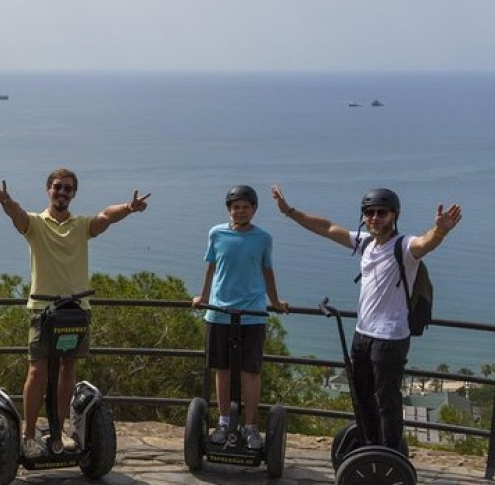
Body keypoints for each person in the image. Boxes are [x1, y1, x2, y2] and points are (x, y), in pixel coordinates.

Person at [271, 185, 462, 450]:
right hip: (362, 334)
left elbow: (425, 243)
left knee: (387, 400)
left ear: (394, 215)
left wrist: (440, 230)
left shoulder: (404, 247)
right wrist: (289, 212)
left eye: (380, 213)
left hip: (390, 338)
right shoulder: (366, 243)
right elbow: (327, 228)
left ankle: (390, 454)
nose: (374, 217)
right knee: (361, 396)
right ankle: (372, 444)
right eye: (368, 212)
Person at [0, 168, 150, 459]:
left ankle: (57, 431)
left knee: (67, 368)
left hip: (76, 311)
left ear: (73, 193)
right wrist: (6, 201)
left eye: (67, 189)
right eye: (57, 187)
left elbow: (106, 216)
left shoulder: (81, 225)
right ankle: (28, 435)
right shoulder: (36, 224)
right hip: (42, 308)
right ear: (48, 190)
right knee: (37, 370)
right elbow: (18, 217)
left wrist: (129, 207)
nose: (62, 192)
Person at [191, 185, 288, 450]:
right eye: (236, 207)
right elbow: (211, 267)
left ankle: (250, 426)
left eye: (246, 207)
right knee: (221, 370)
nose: (240, 211)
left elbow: (267, 271)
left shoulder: (263, 238)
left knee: (250, 372)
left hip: (252, 313)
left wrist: (275, 302)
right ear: (229, 210)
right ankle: (223, 422)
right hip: (220, 312)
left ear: (254, 209)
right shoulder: (216, 233)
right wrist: (202, 297)